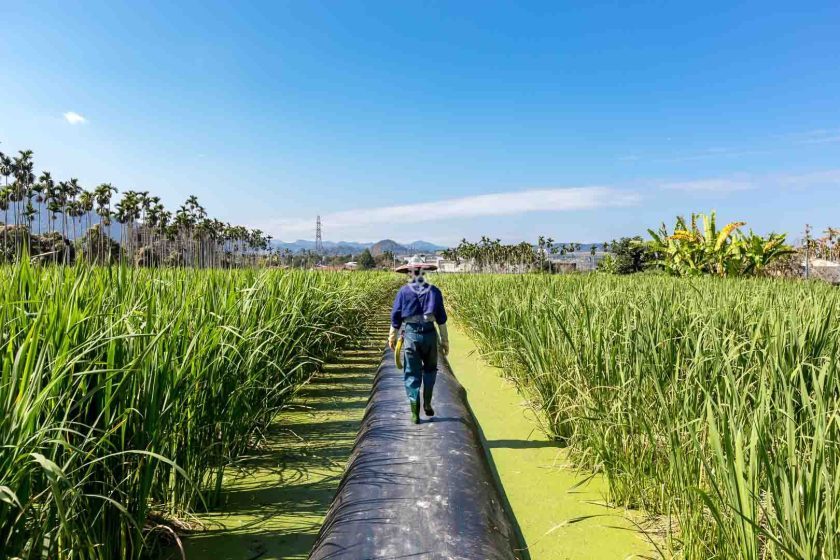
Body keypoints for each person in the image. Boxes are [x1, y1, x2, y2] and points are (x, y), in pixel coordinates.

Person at [388, 256, 449, 424]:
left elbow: (396, 318)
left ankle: (415, 414)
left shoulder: (403, 292)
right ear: (423, 272)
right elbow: (441, 319)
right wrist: (445, 342)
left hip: (411, 335)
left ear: (409, 273)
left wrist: (392, 337)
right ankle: (427, 403)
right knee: (430, 370)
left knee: (412, 373)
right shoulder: (434, 291)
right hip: (429, 335)